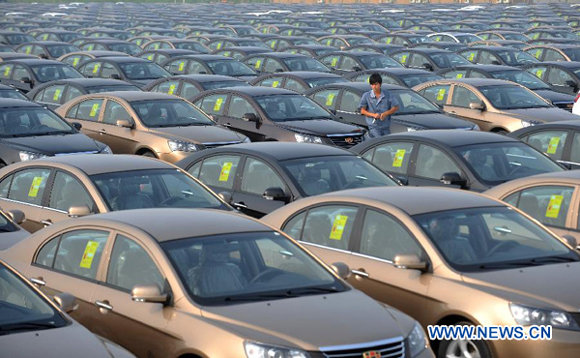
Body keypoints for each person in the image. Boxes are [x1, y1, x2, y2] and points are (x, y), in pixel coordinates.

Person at [359, 73, 399, 138]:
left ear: (380, 84)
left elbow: (396, 107)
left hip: (385, 127)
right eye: (372, 84)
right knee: (379, 141)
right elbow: (362, 111)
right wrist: (373, 115)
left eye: (376, 84)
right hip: (373, 127)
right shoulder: (366, 96)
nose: (374, 86)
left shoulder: (388, 94)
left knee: (387, 143)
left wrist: (386, 113)